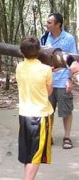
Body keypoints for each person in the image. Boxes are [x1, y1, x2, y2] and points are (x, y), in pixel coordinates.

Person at [16, 36, 53, 180]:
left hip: (24, 115)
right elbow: (48, 92)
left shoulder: (19, 66)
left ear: (22, 52)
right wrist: (49, 72)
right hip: (40, 116)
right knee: (36, 156)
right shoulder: (46, 70)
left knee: (28, 155)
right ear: (38, 50)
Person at [43, 12, 77, 149]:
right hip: (48, 80)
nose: (47, 25)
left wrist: (70, 79)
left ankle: (67, 137)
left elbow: (73, 61)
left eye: (49, 23)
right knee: (47, 110)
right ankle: (47, 136)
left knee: (66, 111)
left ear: (58, 25)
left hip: (63, 80)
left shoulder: (69, 39)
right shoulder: (44, 37)